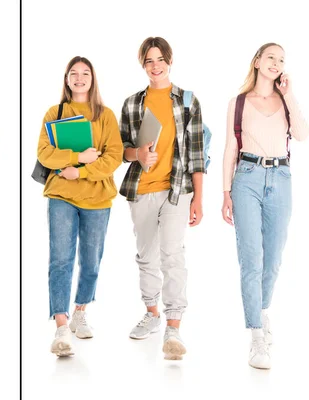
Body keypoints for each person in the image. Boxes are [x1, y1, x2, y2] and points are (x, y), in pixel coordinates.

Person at [221, 43, 309, 369]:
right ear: (257, 62)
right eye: (270, 57)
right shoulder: (239, 102)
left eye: (282, 59)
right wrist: (225, 192)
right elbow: (230, 147)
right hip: (246, 177)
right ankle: (256, 335)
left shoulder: (285, 102)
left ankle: (262, 311)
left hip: (281, 178)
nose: (276, 63)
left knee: (272, 259)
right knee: (251, 259)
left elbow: (302, 135)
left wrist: (289, 96)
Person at [119, 37, 205, 360]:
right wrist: (137, 153)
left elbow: (196, 154)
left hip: (177, 189)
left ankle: (174, 324)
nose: (155, 66)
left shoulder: (187, 101)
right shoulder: (131, 104)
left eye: (160, 60)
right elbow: (121, 151)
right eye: (149, 61)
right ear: (143, 65)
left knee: (172, 253)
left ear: (170, 60)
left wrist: (198, 198)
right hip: (141, 189)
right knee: (146, 256)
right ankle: (152, 313)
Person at [37, 56, 123, 358]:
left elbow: (113, 157)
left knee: (91, 260)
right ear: (66, 79)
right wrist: (78, 158)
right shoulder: (54, 112)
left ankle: (80, 310)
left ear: (93, 78)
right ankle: (60, 324)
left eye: (85, 73)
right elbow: (44, 154)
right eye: (73, 73)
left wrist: (82, 171)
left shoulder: (107, 116)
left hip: (98, 197)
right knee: (60, 259)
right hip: (61, 195)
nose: (79, 77)